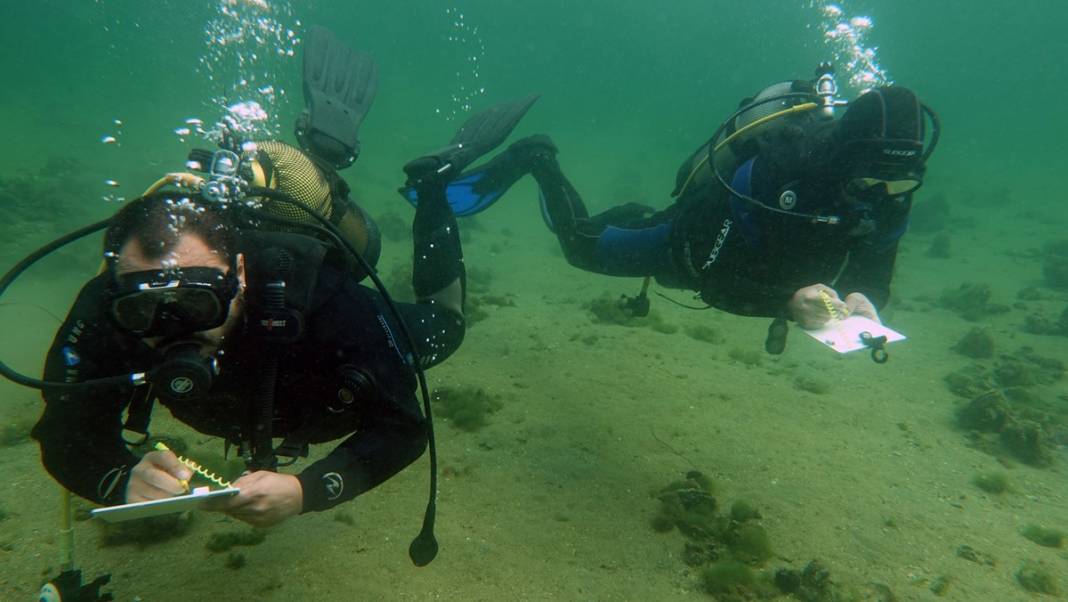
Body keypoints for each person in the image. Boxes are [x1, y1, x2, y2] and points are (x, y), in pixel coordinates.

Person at [27, 26, 539, 536]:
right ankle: (320, 152)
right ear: (117, 294)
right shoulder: (111, 305)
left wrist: (306, 490)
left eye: (200, 303)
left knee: (445, 324)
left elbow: (403, 428)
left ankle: (432, 185)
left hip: (322, 350)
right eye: (144, 312)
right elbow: (64, 431)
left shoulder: (315, 298)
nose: (173, 324)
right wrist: (118, 479)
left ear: (241, 277)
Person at [425, 69, 939, 351]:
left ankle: (631, 214)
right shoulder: (782, 172)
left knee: (630, 222)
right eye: (873, 178)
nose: (884, 192)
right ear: (847, 159)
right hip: (685, 245)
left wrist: (866, 297)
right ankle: (539, 158)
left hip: (757, 265)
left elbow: (876, 263)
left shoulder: (889, 189)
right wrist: (786, 301)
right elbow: (712, 272)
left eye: (900, 182)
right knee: (581, 248)